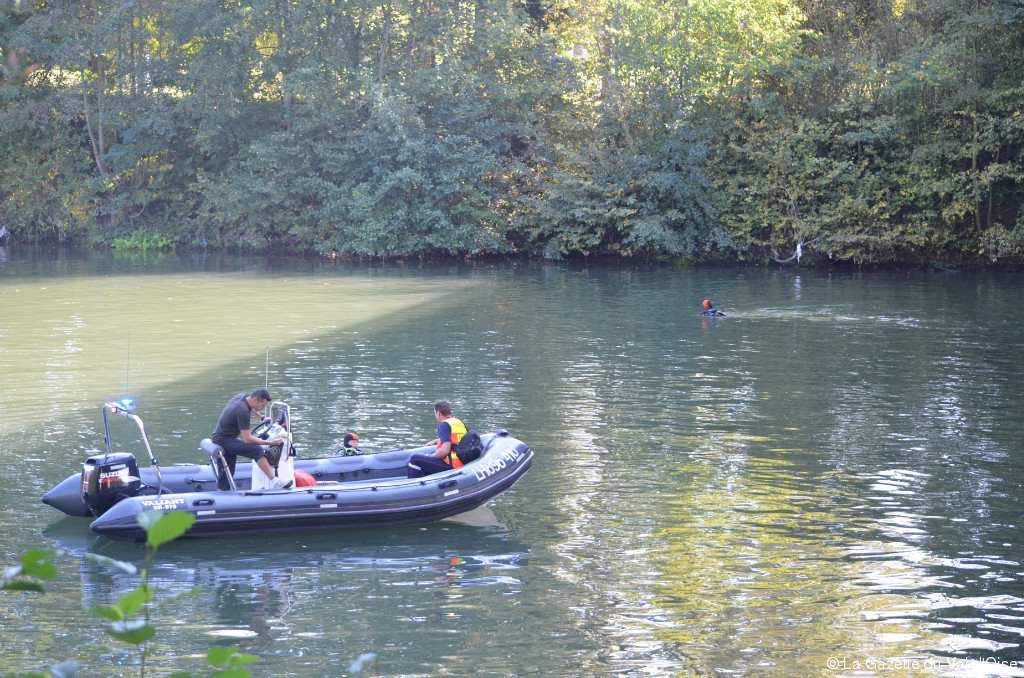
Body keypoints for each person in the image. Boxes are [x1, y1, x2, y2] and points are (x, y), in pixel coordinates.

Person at [211, 388, 292, 490]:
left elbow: (251, 408)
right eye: (263, 405)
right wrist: (271, 442)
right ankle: (275, 482)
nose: (263, 408)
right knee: (256, 449)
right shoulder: (243, 411)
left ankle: (221, 495)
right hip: (224, 440)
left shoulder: (241, 397)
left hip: (220, 437)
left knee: (227, 472)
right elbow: (248, 439)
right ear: (255, 400)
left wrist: (262, 417)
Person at [407, 400, 468, 478]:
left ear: (438, 413)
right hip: (461, 463)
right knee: (430, 456)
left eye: (435, 413)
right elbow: (456, 440)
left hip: (451, 465)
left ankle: (412, 486)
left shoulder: (443, 425)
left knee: (414, 459)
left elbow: (445, 450)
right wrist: (435, 441)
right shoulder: (458, 422)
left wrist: (430, 457)